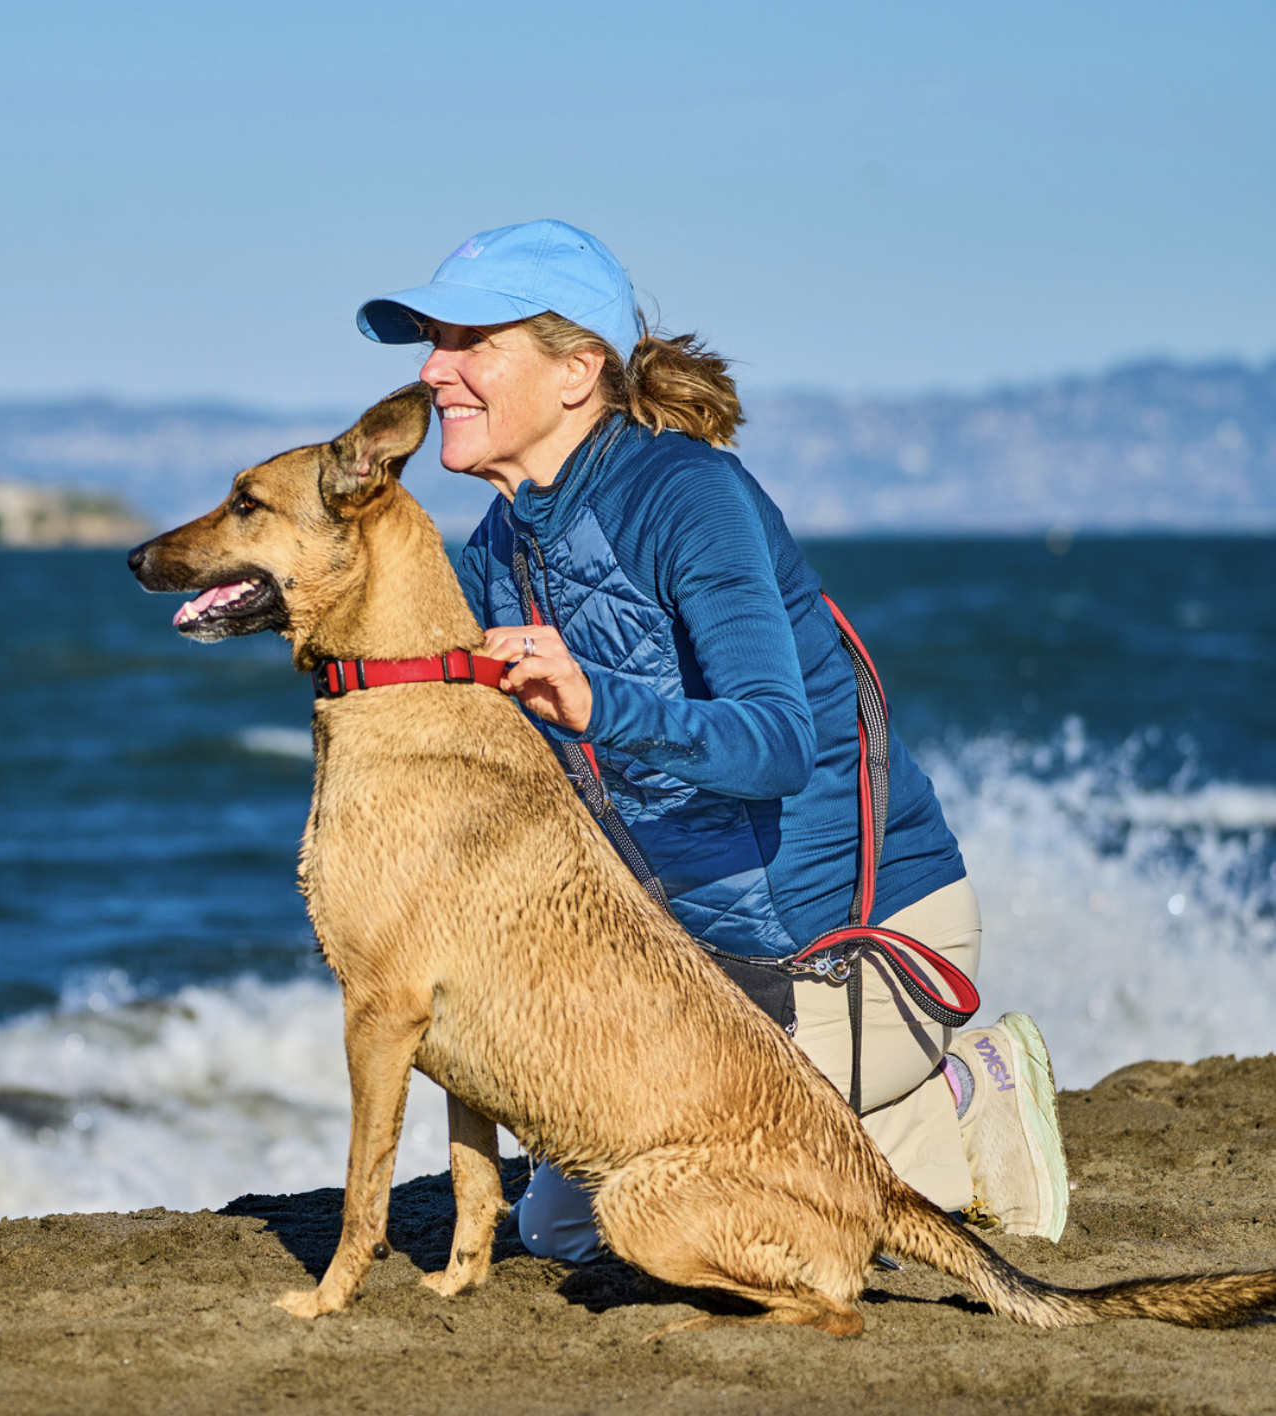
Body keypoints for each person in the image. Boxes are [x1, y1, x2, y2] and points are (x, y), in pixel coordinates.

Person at [353, 219, 1071, 1259]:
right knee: (570, 1230)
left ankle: (966, 1100)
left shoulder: (690, 495)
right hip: (702, 971)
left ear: (574, 371)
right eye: (432, 341)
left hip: (853, 941)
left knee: (706, 1194)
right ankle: (875, 1124)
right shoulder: (499, 543)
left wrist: (599, 703)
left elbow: (776, 743)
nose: (434, 371)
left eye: (472, 343)